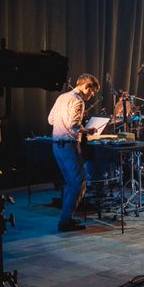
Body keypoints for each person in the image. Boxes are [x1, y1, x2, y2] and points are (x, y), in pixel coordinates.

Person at [47, 73, 100, 232]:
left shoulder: (62, 97)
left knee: (71, 183)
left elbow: (50, 119)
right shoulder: (78, 100)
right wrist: (89, 130)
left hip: (57, 146)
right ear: (86, 86)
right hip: (69, 146)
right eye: (92, 91)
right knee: (79, 183)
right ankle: (65, 222)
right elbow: (73, 125)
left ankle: (67, 218)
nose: (92, 95)